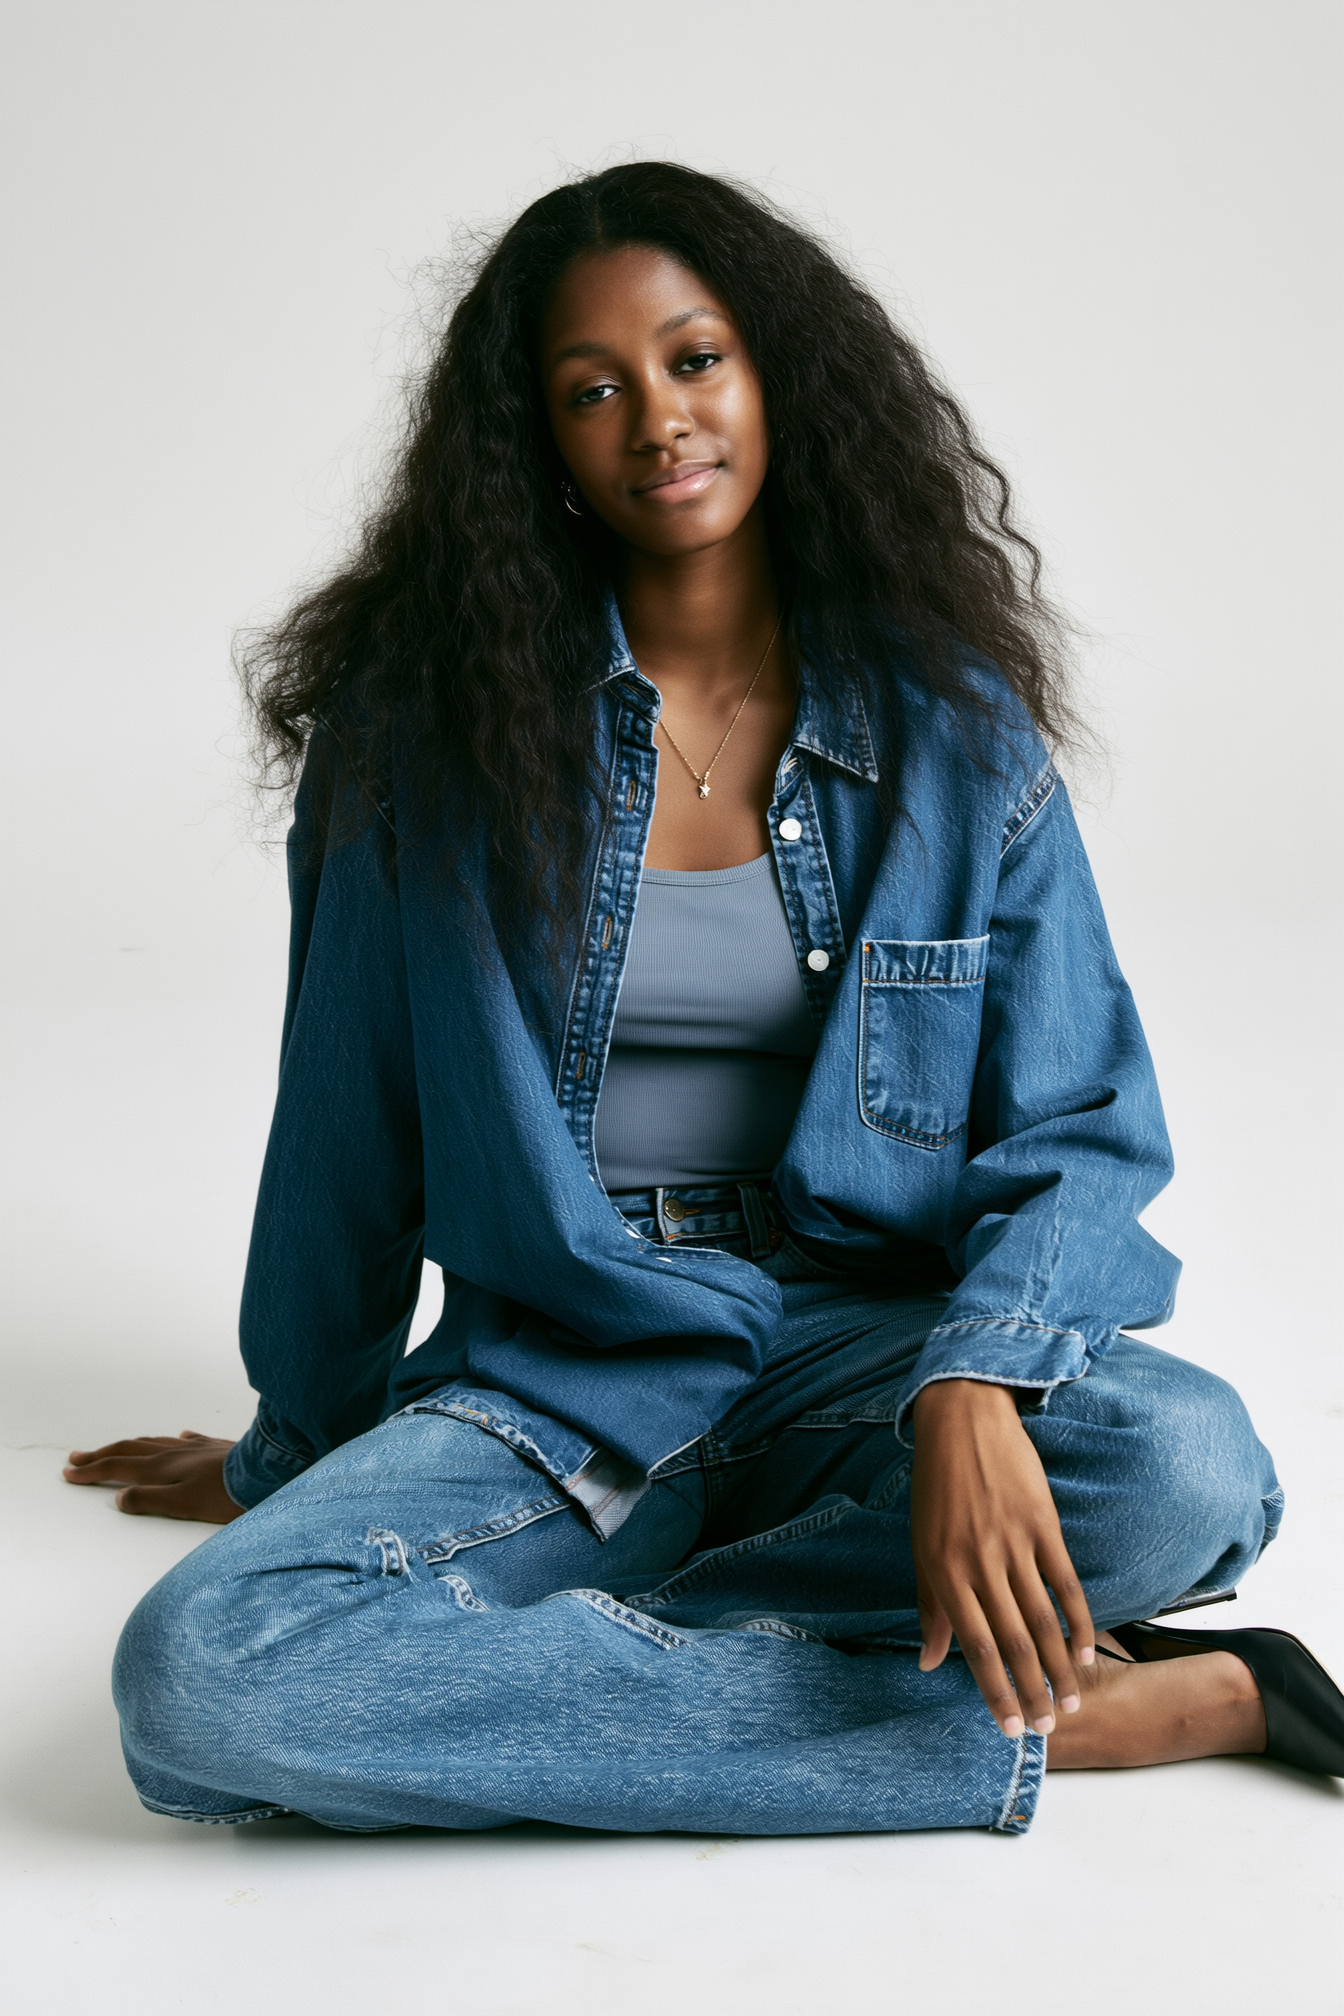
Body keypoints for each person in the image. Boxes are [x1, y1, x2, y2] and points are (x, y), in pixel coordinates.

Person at [66, 163, 1341, 1835]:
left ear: (776, 377)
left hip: (862, 1355)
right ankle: (1047, 1723)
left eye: (693, 360)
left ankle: (489, 1680)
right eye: (591, 389)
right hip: (567, 1373)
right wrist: (295, 1451)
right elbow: (344, 1134)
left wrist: (973, 1383)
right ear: (540, 445)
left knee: (1185, 1469)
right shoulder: (419, 746)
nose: (655, 419)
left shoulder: (956, 739)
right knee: (203, 1677)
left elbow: (1083, 1129)